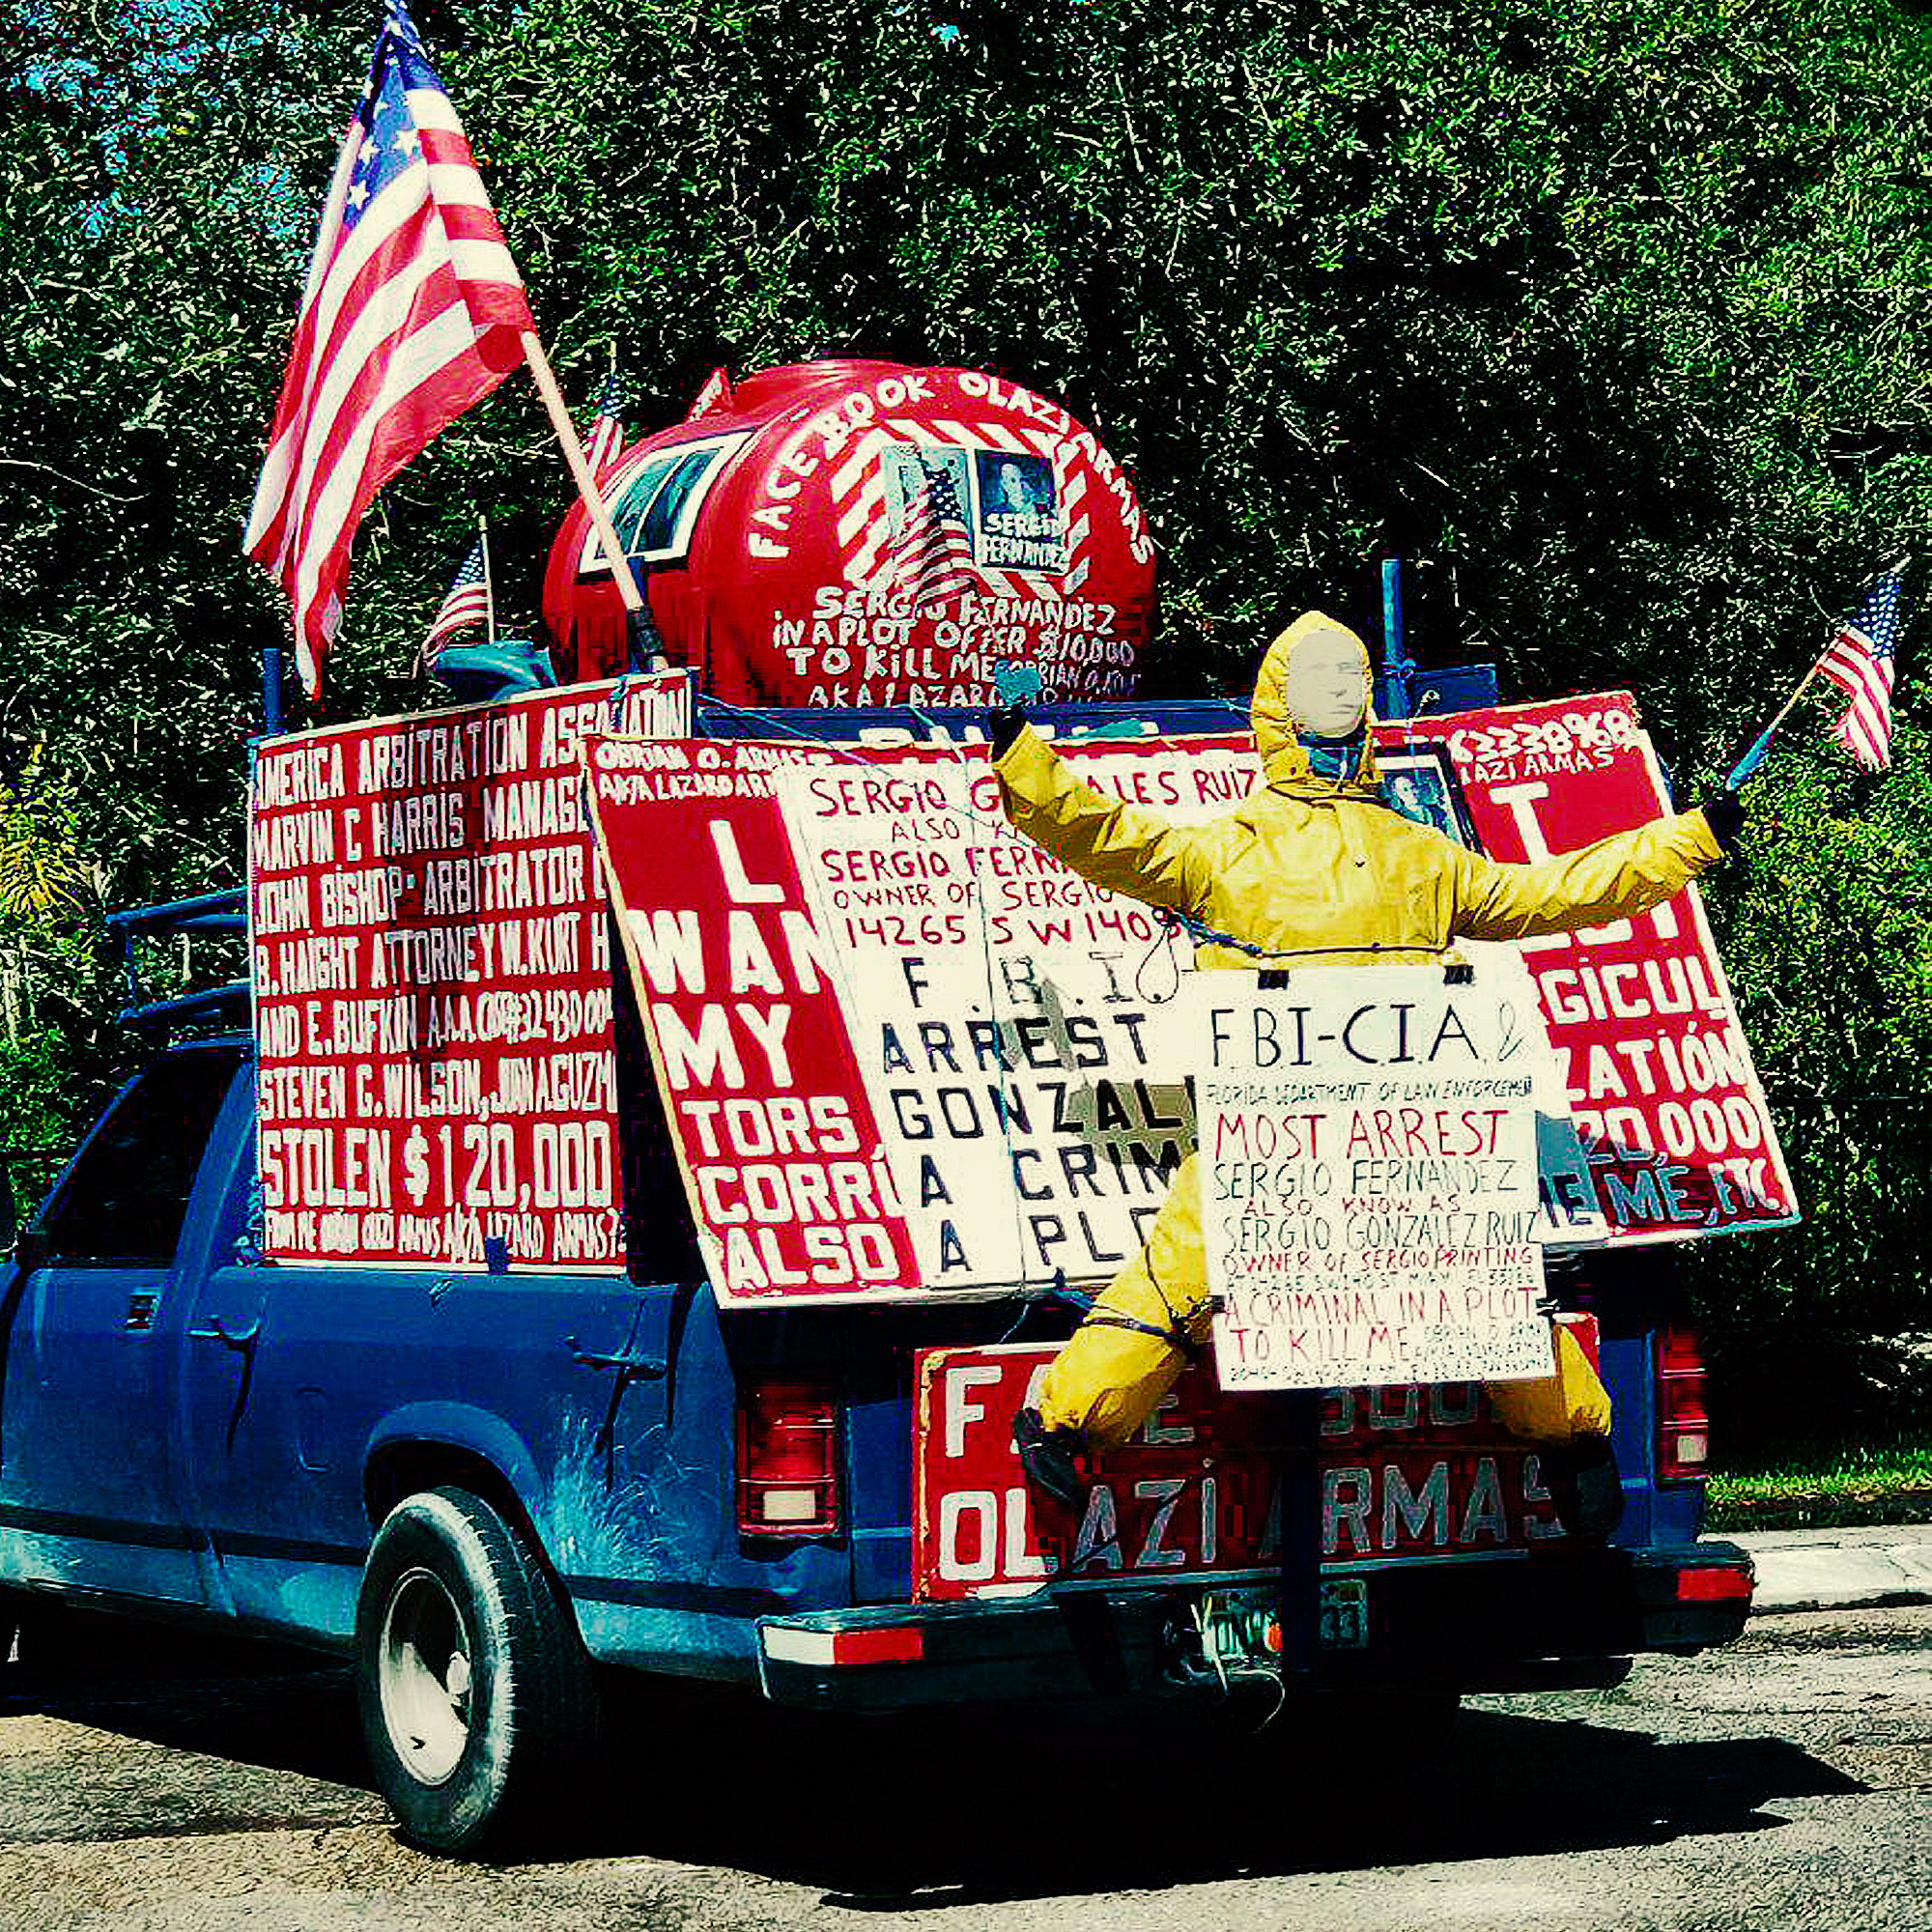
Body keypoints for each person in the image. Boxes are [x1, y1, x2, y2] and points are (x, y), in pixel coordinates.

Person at [990, 610, 1746, 1531]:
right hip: (1396, 1140)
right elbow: (1560, 892)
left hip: (1285, 1139)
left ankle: (1063, 1425)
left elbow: (1103, 835)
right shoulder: (1409, 857)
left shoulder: (1236, 851)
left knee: (1191, 1272)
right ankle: (1577, 1445)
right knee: (1475, 1275)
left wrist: (1021, 754)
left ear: (1270, 721)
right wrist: (1686, 838)